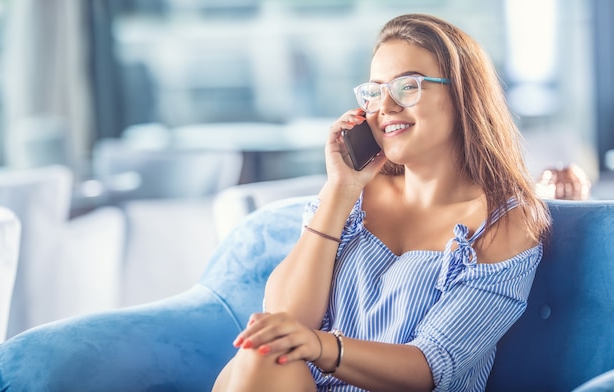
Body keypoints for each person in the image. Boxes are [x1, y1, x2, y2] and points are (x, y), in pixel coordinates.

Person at [213, 13, 551, 392]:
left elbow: (430, 367)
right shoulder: (353, 196)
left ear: (462, 94)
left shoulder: (504, 223)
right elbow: (285, 322)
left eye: (407, 86)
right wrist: (339, 192)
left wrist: (323, 347)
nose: (385, 106)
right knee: (265, 356)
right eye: (374, 92)